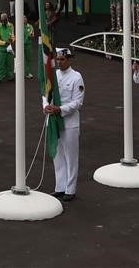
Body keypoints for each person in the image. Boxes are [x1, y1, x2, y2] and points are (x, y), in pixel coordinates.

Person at [43, 47, 83, 201]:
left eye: (62, 59)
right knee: (57, 156)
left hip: (69, 122)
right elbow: (45, 94)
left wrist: (60, 109)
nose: (59, 62)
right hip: (53, 120)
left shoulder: (76, 77)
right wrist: (45, 106)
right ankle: (60, 187)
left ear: (69, 59)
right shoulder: (54, 75)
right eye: (58, 59)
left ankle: (70, 189)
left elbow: (78, 102)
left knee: (71, 157)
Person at [0, 13, 14, 82]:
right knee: (1, 64)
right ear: (1, 20)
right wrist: (4, 43)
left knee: (10, 63)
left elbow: (13, 35)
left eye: (5, 20)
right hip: (1, 49)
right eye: (3, 20)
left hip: (9, 48)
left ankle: (10, 76)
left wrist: (13, 40)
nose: (4, 22)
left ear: (7, 19)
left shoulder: (10, 25)